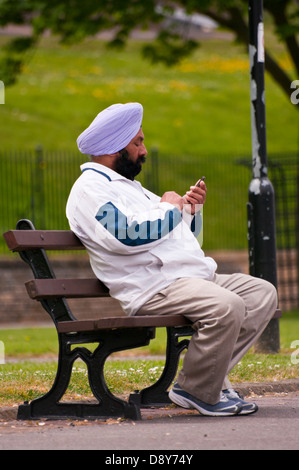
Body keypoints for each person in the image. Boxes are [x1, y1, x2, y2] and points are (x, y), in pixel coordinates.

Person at [66, 102, 278, 417]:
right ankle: (197, 389)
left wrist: (189, 211)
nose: (144, 150)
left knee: (263, 294)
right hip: (156, 287)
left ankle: (209, 381)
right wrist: (168, 208)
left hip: (192, 279)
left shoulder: (129, 188)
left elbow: (183, 237)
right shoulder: (90, 191)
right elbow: (126, 236)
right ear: (115, 147)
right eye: (137, 143)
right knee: (227, 306)